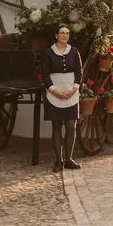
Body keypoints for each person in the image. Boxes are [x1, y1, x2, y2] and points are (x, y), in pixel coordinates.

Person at [41, 24, 83, 173]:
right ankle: (58, 161)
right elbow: (45, 75)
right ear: (56, 36)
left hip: (71, 93)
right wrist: (54, 91)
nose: (64, 35)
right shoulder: (48, 53)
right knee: (57, 126)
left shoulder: (74, 52)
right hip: (55, 93)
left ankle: (69, 159)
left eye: (67, 33)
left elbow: (79, 72)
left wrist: (74, 88)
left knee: (71, 125)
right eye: (62, 33)